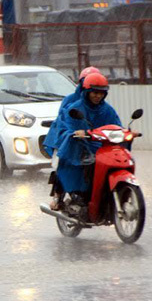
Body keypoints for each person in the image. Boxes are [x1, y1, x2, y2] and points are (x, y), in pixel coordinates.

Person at [51, 73, 122, 209]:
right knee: (86, 164)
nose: (98, 96)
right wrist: (75, 133)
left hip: (102, 146)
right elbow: (67, 125)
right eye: (94, 92)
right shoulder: (74, 107)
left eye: (101, 93)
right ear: (86, 91)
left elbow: (116, 125)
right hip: (80, 146)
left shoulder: (107, 110)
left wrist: (126, 133)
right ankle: (77, 195)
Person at [43, 66, 102, 210]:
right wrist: (73, 133)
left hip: (90, 140)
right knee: (63, 163)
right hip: (66, 139)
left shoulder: (101, 105)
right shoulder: (71, 101)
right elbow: (65, 120)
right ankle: (58, 197)